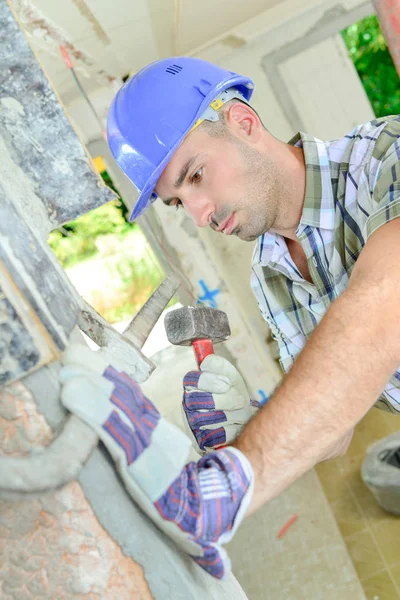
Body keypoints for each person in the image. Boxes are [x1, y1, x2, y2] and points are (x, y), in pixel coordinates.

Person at [60, 56, 400, 578]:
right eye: (178, 202)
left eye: (195, 176)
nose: (199, 213)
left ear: (243, 123)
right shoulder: (269, 274)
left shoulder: (385, 157)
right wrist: (248, 421)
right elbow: (337, 430)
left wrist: (237, 476)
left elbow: (381, 309)